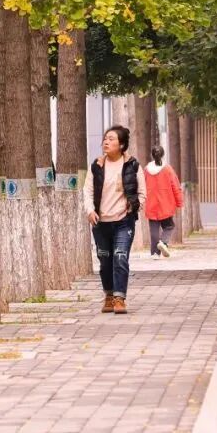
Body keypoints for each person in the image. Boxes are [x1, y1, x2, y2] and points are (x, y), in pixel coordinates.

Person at [82, 125, 146, 315]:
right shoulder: (96, 166)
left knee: (120, 257)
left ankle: (119, 298)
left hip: (123, 222)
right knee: (105, 260)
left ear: (122, 144)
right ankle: (109, 295)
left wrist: (135, 206)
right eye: (105, 138)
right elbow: (88, 191)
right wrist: (90, 210)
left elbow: (142, 193)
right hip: (100, 223)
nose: (106, 142)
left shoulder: (132, 165)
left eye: (111, 139)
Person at [145, 145, 183, 258]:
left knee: (154, 230)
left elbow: (141, 185)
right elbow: (175, 186)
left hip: (151, 204)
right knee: (169, 226)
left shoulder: (146, 170)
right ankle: (163, 242)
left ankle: (154, 253)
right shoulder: (167, 169)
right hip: (165, 204)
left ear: (152, 155)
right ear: (163, 155)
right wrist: (179, 202)